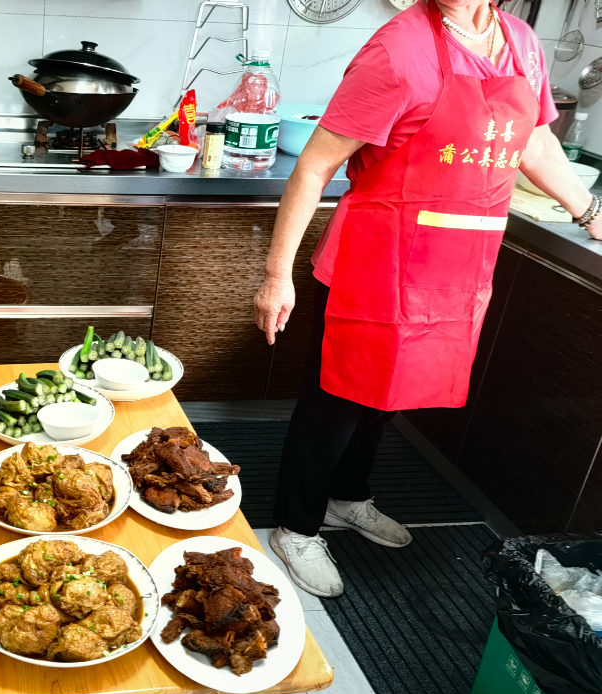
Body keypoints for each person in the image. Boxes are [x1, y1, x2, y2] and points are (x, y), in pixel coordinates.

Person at [254, 0, 602, 598]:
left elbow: (536, 142)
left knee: (388, 396)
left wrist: (591, 212)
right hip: (373, 267)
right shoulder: (398, 51)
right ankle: (296, 526)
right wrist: (276, 275)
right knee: (337, 401)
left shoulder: (520, 42)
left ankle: (347, 498)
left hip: (452, 269)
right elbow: (313, 167)